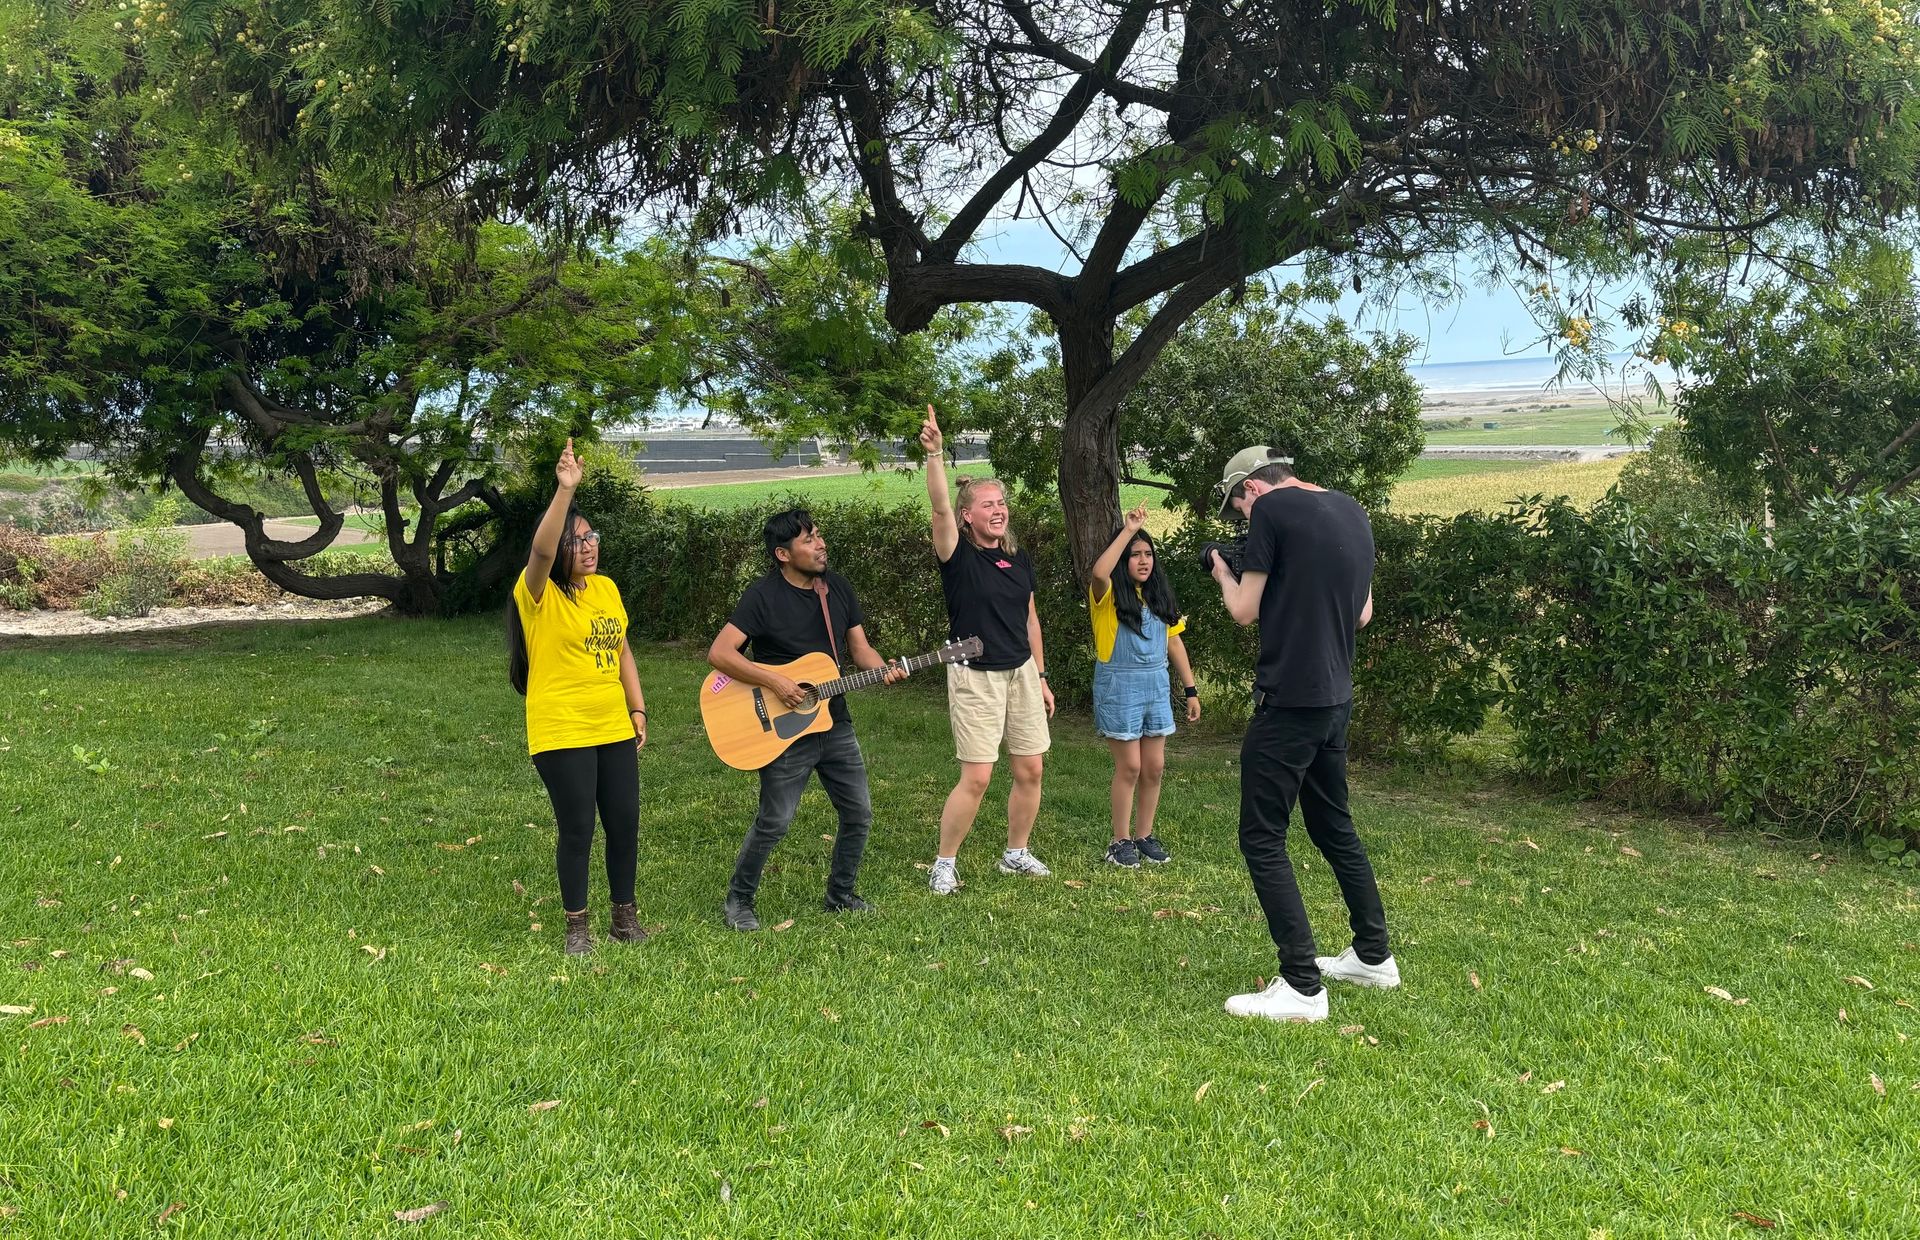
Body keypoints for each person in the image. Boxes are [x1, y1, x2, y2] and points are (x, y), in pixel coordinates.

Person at [1206, 446, 1398, 1023]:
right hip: (1336, 697)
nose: (1243, 520)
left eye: (1239, 508)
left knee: (1262, 837)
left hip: (1288, 700)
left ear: (1254, 490)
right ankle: (1373, 956)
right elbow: (1361, 614)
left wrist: (1222, 568)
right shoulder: (1351, 509)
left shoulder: (1272, 512)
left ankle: (1301, 986)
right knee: (1332, 825)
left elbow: (1243, 610)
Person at [706, 509, 907, 931]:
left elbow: (860, 649)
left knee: (858, 813)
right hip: (780, 728)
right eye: (808, 540)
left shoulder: (836, 589)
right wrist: (777, 682)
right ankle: (739, 900)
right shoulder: (762, 597)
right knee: (775, 821)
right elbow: (721, 654)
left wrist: (883, 667)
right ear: (782, 553)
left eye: (819, 536)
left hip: (834, 721)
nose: (820, 545)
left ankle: (841, 896)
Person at [507, 438, 648, 955]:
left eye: (592, 537)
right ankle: (576, 928)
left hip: (611, 723)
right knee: (578, 828)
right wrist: (565, 492)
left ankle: (624, 918)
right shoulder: (536, 592)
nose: (589, 546)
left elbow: (624, 651)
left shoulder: (606, 589)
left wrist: (636, 707)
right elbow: (542, 551)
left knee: (625, 822)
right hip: (562, 728)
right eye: (578, 540)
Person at [918, 404, 1055, 894]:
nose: (998, 510)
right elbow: (937, 509)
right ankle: (945, 863)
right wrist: (936, 456)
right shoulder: (957, 556)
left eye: (1003, 504)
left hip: (1019, 671)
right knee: (976, 777)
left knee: (1031, 768)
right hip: (975, 673)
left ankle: (1015, 853)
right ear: (968, 515)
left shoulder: (1018, 562)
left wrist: (1039, 675)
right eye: (988, 504)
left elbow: (1030, 619)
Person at [1087, 505, 1201, 867]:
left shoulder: (1159, 597)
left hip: (1155, 686)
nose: (1142, 561)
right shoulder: (1105, 597)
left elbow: (1174, 643)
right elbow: (1099, 570)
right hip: (1119, 686)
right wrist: (1128, 531)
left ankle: (1144, 835)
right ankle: (1119, 841)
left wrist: (1191, 689)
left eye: (1147, 554)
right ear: (1123, 559)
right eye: (1135, 555)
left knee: (1154, 767)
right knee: (1130, 768)